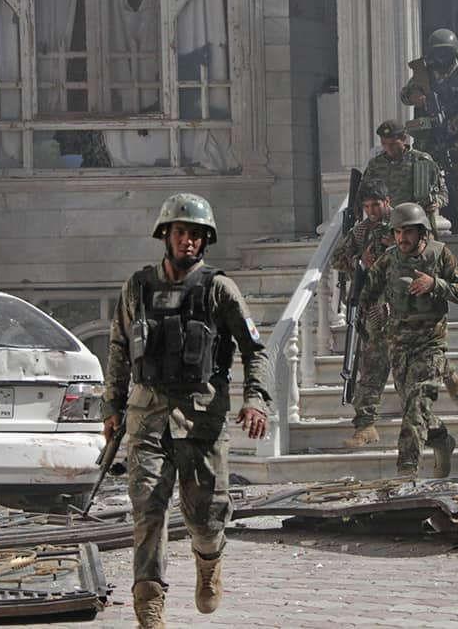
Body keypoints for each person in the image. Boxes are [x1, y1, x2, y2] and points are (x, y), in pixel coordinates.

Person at [100, 193, 272, 629]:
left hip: (202, 420)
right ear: (165, 236)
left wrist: (256, 400)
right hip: (148, 419)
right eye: (180, 232)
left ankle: (209, 561)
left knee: (206, 514)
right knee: (148, 512)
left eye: (196, 234)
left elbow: (255, 351)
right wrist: (112, 407)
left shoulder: (219, 290)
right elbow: (119, 348)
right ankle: (149, 607)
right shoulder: (137, 287)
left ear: (205, 241)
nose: (188, 241)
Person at [359, 202, 458, 477]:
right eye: (397, 232)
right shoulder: (389, 259)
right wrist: (370, 322)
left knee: (417, 402)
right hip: (398, 343)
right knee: (413, 406)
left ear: (421, 232)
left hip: (431, 341)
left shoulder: (440, 254)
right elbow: (367, 294)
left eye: (407, 232)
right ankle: (442, 438)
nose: (401, 238)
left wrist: (436, 285)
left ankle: (406, 469)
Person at [401, 28, 458, 236]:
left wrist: (456, 121)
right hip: (429, 137)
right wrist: (415, 95)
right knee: (425, 182)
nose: (441, 57)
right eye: (438, 53)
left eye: (445, 53)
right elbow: (404, 95)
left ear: (454, 52)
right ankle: (425, 226)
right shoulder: (424, 73)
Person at [331, 179, 395, 448]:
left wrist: (394, 248)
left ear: (387, 202)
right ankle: (365, 424)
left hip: (406, 309)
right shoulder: (360, 232)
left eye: (376, 205)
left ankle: (434, 432)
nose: (371, 211)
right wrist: (360, 261)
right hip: (374, 310)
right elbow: (338, 258)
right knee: (370, 368)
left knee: (412, 375)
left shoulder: (405, 223)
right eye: (367, 206)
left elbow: (426, 254)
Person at [361, 119, 450, 237]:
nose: (388, 148)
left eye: (393, 144)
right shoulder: (375, 164)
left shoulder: (421, 161)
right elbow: (363, 194)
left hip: (414, 224)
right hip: (384, 229)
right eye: (384, 144)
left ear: (403, 138)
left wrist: (436, 202)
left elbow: (443, 193)